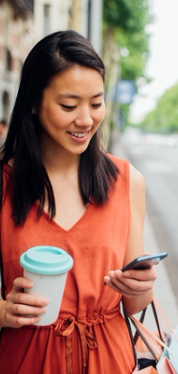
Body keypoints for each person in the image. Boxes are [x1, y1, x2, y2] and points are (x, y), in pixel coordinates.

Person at [0, 30, 157, 374]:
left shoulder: (128, 182)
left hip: (111, 361)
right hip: (26, 360)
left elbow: (136, 305)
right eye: (69, 106)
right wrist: (3, 311)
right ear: (33, 102)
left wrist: (141, 286)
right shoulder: (4, 184)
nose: (86, 120)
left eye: (96, 103)